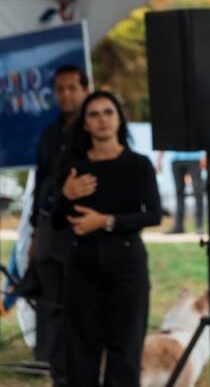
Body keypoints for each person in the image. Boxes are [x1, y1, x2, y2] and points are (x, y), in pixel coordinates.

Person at [53, 91, 162, 387]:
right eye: (94, 114)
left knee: (125, 354)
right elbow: (57, 220)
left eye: (108, 112)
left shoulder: (138, 164)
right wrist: (66, 195)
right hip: (83, 268)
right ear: (85, 124)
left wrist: (106, 221)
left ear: (119, 119)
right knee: (81, 356)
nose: (102, 119)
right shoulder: (74, 167)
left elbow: (153, 215)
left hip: (126, 267)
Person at [29, 63, 89, 386]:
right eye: (60, 89)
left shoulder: (93, 132)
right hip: (47, 230)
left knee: (77, 308)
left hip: (78, 230)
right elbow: (40, 183)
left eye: (71, 88)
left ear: (84, 90)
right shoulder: (50, 133)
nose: (65, 95)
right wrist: (34, 234)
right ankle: (58, 376)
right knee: (50, 307)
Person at [155, 149, 206, 234]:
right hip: (176, 159)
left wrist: (205, 157)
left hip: (195, 159)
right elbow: (163, 142)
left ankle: (199, 226)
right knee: (179, 194)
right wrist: (159, 160)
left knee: (198, 193)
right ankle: (179, 227)